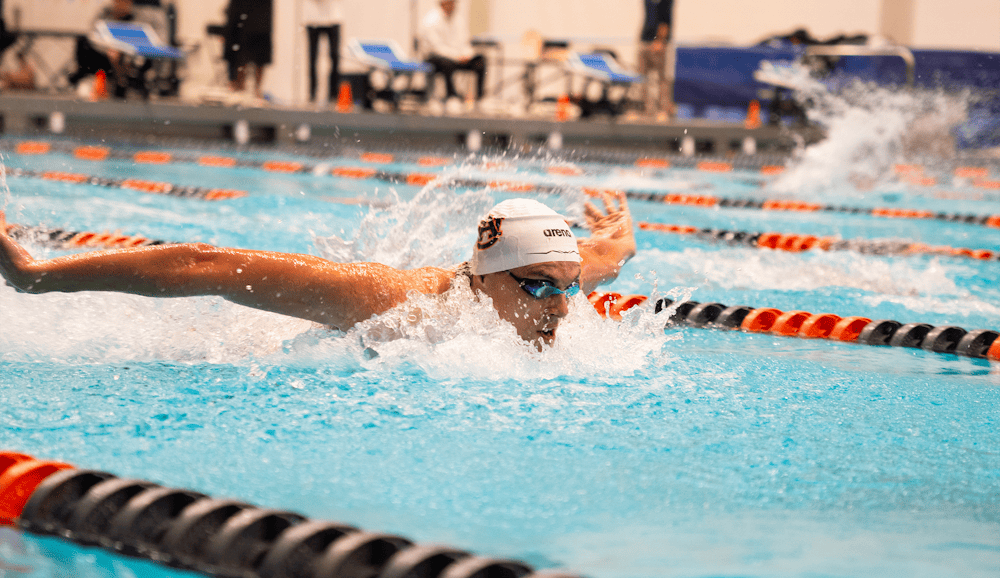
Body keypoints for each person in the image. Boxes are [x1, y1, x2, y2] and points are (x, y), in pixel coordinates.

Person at [0, 194, 636, 350]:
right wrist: (36, 273)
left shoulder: (554, 281)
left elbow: (603, 258)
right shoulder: (403, 304)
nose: (561, 305)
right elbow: (209, 264)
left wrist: (616, 243)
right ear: (488, 278)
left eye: (569, 284)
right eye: (542, 286)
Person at [293, 0, 355, 105]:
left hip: (333, 16)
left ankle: (333, 96)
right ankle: (312, 95)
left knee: (334, 56)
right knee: (312, 57)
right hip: (312, 16)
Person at [67, 0, 141, 98]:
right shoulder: (105, 14)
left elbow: (138, 44)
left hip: (126, 58)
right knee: (82, 41)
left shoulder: (136, 19)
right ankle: (83, 76)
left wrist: (120, 51)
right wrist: (108, 48)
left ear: (129, 1)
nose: (120, 4)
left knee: (126, 60)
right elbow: (93, 35)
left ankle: (122, 84)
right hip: (105, 55)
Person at [218, 0, 274, 100]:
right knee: (237, 54)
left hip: (259, 19)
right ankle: (238, 86)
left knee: (259, 57)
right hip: (238, 18)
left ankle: (257, 89)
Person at [420, 0, 486, 110]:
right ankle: (451, 97)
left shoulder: (458, 19)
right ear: (442, 3)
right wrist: (456, 56)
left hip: (457, 57)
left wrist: (467, 54)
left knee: (480, 61)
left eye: (454, 2)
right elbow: (437, 47)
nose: (453, 5)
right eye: (450, 2)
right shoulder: (430, 21)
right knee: (447, 63)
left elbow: (465, 42)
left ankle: (480, 98)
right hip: (436, 58)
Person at [637, 0, 674, 120]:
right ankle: (647, 109)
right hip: (645, 40)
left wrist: (660, 40)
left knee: (661, 78)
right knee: (642, 77)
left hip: (658, 42)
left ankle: (663, 109)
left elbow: (665, 20)